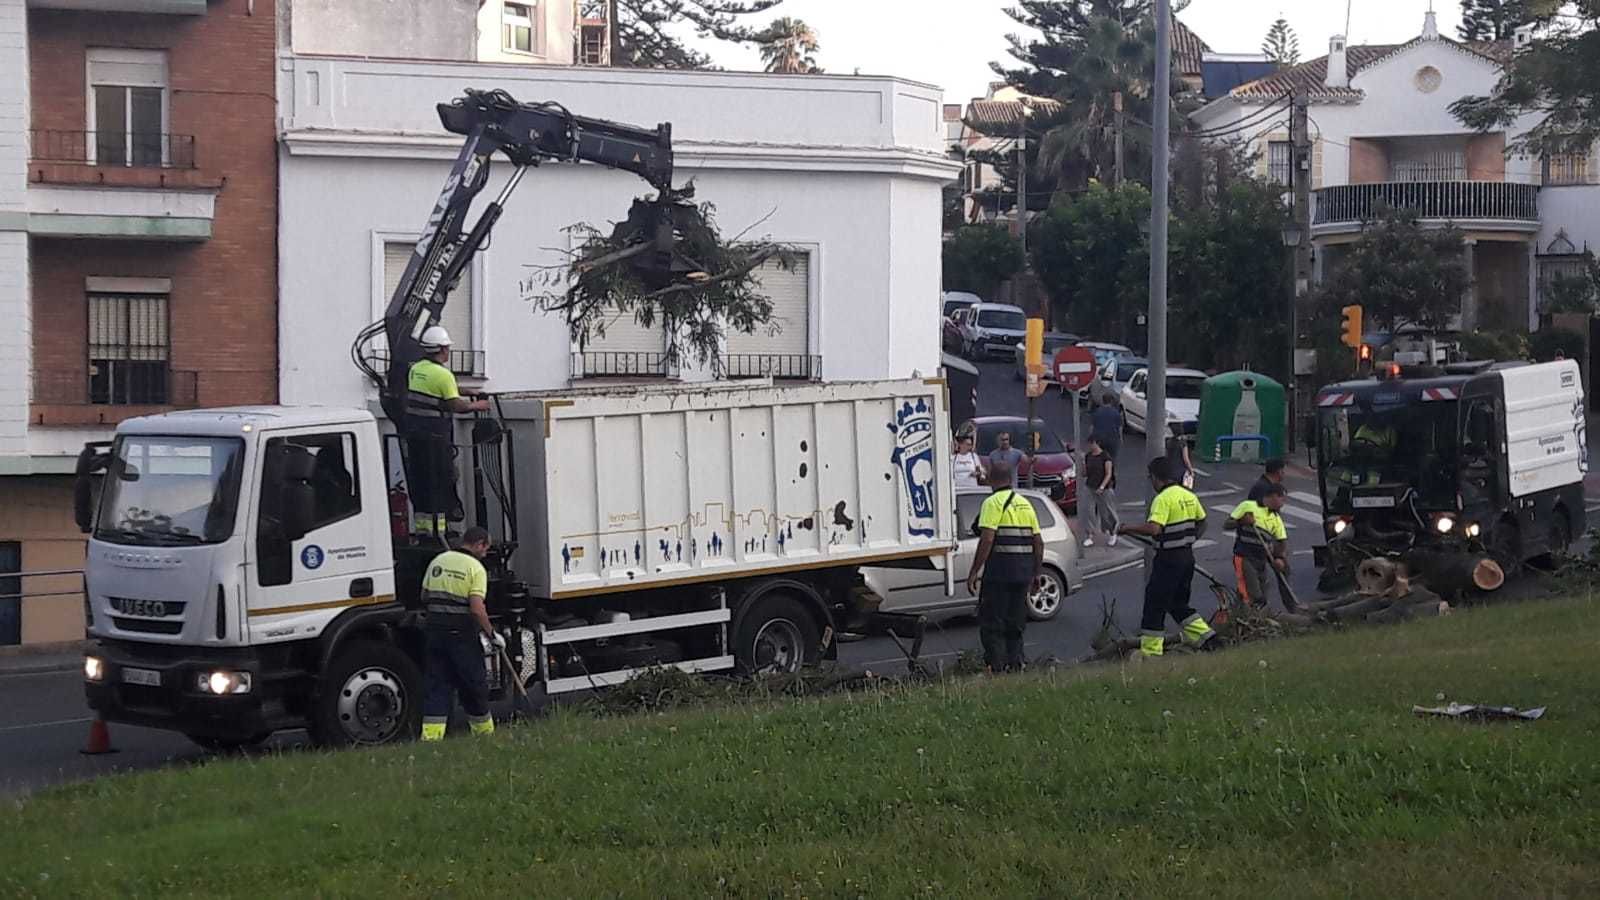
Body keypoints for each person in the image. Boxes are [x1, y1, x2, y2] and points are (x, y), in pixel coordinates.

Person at [1117, 457, 1216, 657]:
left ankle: (1151, 652)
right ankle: (1207, 637)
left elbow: (1154, 528)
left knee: (1155, 605)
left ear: (1155, 478)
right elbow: (1203, 522)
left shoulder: (1162, 499)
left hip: (1168, 560)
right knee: (1177, 604)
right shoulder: (1188, 495)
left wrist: (1127, 528)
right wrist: (1188, 539)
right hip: (1187, 557)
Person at [406, 326, 490, 537]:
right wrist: (476, 406)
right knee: (442, 482)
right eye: (447, 348)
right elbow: (455, 405)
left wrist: (464, 390)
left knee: (423, 483)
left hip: (416, 437)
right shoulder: (443, 374)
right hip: (437, 439)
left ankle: (425, 532)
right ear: (442, 349)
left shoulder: (416, 369)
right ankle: (442, 533)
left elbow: (434, 389)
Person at [420, 526, 502, 742]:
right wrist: (492, 634)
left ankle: (431, 739)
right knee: (474, 685)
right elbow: (476, 608)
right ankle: (484, 736)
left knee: (437, 686)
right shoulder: (475, 568)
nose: (485, 554)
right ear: (479, 544)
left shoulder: (438, 561)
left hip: (435, 634)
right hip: (462, 637)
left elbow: (425, 595)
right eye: (486, 549)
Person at [965, 462, 1044, 672]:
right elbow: (1038, 542)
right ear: (1010, 480)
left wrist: (974, 571)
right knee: (1016, 623)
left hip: (999, 574)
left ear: (991, 480)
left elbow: (987, 539)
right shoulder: (1026, 504)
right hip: (1022, 574)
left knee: (992, 622)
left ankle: (996, 668)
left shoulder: (992, 503)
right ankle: (1016, 664)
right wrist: (1036, 573)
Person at [1224, 483, 1289, 609]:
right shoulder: (1248, 506)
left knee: (1261, 593)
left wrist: (1280, 558)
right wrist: (1241, 521)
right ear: (1274, 496)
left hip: (1261, 560)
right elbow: (1227, 524)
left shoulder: (1276, 518)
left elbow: (1282, 541)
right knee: (1254, 594)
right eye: (1282, 499)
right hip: (1244, 557)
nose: (1283, 504)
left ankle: (1240, 614)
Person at [1081, 434, 1120, 547]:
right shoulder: (1088, 456)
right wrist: (1082, 464)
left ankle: (1113, 533)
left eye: (1090, 443)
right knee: (1088, 511)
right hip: (1090, 486)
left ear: (1096, 443)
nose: (1089, 446)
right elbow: (1085, 473)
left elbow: (1108, 474)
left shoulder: (1105, 457)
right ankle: (1089, 536)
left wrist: (1102, 487)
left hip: (1104, 489)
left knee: (1106, 512)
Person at [1090, 391, 1123, 459]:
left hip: (1099, 439)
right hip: (1111, 440)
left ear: (1103, 401)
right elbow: (1120, 428)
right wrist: (1120, 438)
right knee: (1111, 458)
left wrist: (1092, 439)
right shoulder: (1116, 413)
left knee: (1099, 457)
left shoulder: (1097, 412)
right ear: (1111, 401)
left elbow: (1092, 427)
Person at [1165, 422, 1196, 489]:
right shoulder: (1182, 443)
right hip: (1180, 471)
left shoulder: (1169, 442)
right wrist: (1191, 470)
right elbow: (1186, 459)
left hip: (1170, 469)